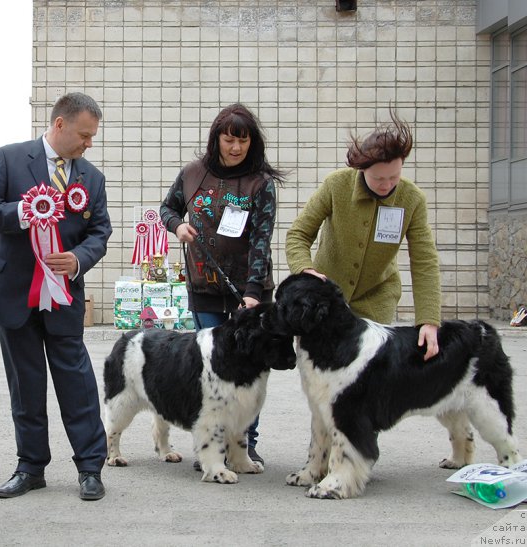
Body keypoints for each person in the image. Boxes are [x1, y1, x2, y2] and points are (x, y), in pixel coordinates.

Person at [0, 92, 111, 501]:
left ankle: (89, 467)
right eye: (85, 135)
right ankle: (30, 467)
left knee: (77, 382)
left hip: (64, 295)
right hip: (16, 291)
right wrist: (24, 212)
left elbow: (100, 232)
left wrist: (79, 258)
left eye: (93, 137)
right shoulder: (10, 158)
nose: (89, 143)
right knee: (25, 384)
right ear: (60, 124)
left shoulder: (92, 178)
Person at [160, 103, 283, 467]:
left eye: (242, 141)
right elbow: (168, 208)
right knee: (211, 370)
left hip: (249, 291)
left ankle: (246, 443)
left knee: (249, 370)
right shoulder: (193, 173)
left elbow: (262, 240)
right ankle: (212, 444)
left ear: (251, 143)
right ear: (217, 139)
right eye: (229, 140)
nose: (234, 148)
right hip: (204, 286)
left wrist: (252, 293)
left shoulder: (261, 184)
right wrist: (177, 226)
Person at [285, 111, 441, 360]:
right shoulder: (336, 186)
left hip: (376, 299)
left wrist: (429, 320)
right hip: (327, 299)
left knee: (368, 375)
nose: (386, 185)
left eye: (394, 177)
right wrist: (304, 270)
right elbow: (298, 235)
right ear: (361, 169)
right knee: (324, 372)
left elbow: (425, 261)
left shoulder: (413, 199)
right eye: (379, 178)